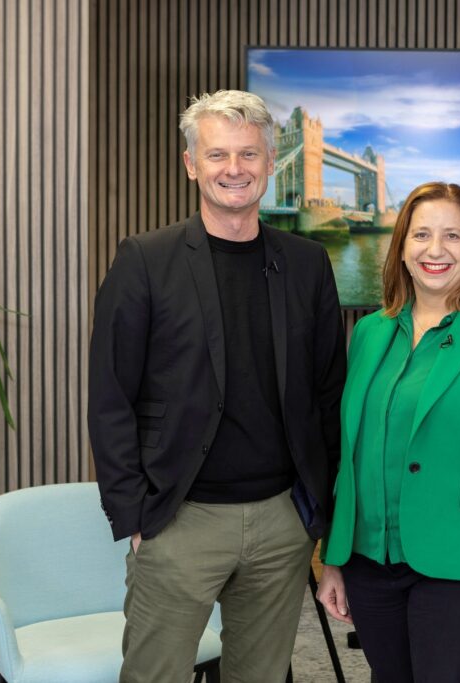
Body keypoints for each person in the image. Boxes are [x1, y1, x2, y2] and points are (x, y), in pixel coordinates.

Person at [87, 89, 346, 683]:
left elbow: (329, 393)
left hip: (282, 521)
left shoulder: (307, 264)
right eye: (218, 155)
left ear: (267, 159)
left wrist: (322, 517)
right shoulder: (144, 260)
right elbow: (110, 396)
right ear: (190, 164)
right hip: (179, 520)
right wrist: (134, 516)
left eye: (250, 154)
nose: (235, 169)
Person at [316, 182, 460, 682]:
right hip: (370, 563)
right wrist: (334, 558)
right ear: (401, 248)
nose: (435, 249)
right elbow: (349, 456)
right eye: (421, 234)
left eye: (452, 236)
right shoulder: (370, 332)